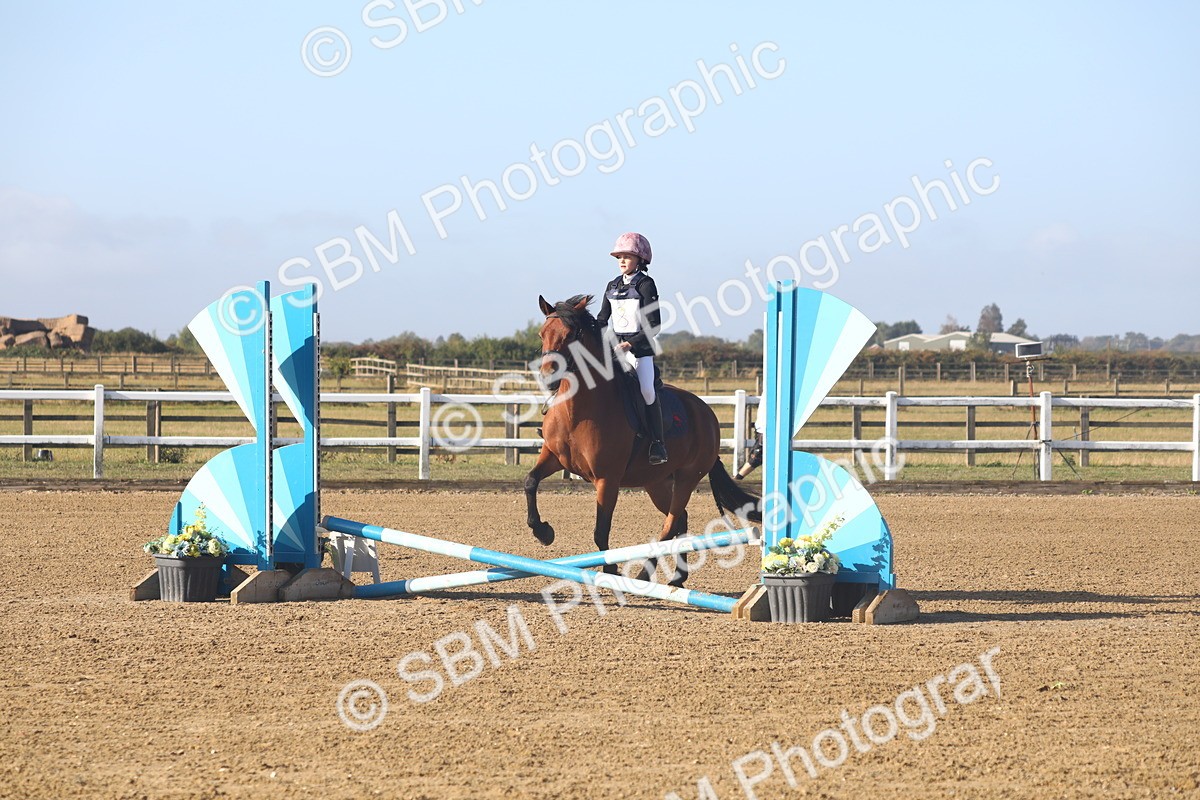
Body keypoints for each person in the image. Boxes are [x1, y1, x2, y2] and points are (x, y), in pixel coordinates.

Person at [596, 232, 668, 465]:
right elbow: (602, 319)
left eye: (627, 256)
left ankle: (658, 444)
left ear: (640, 260)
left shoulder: (647, 284)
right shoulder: (612, 285)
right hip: (615, 351)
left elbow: (654, 324)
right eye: (620, 257)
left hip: (639, 351)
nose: (622, 261)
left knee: (647, 391)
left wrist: (631, 343)